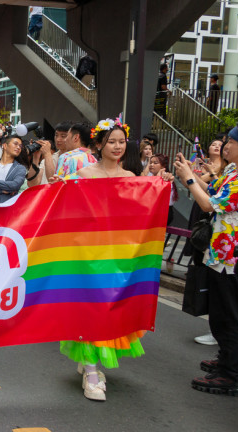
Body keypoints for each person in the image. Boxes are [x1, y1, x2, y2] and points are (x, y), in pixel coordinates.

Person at [49, 118, 166, 401]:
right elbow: (64, 208)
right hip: (88, 256)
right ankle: (91, 372)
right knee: (91, 308)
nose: (117, 146)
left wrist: (162, 186)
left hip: (119, 257)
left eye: (121, 142)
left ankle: (90, 359)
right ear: (99, 144)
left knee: (111, 309)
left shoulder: (132, 179)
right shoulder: (83, 175)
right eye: (111, 141)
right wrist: (59, 188)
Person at [175, 122, 238, 398]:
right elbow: (211, 189)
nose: (225, 145)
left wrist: (190, 181)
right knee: (219, 312)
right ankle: (226, 359)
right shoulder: (232, 170)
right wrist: (191, 176)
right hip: (218, 252)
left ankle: (230, 374)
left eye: (230, 141)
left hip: (234, 257)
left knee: (229, 315)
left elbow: (209, 204)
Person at [146, 153, 179, 224]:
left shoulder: (166, 178)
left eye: (155, 163)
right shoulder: (150, 175)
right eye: (150, 162)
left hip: (163, 212)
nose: (151, 165)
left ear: (163, 166)